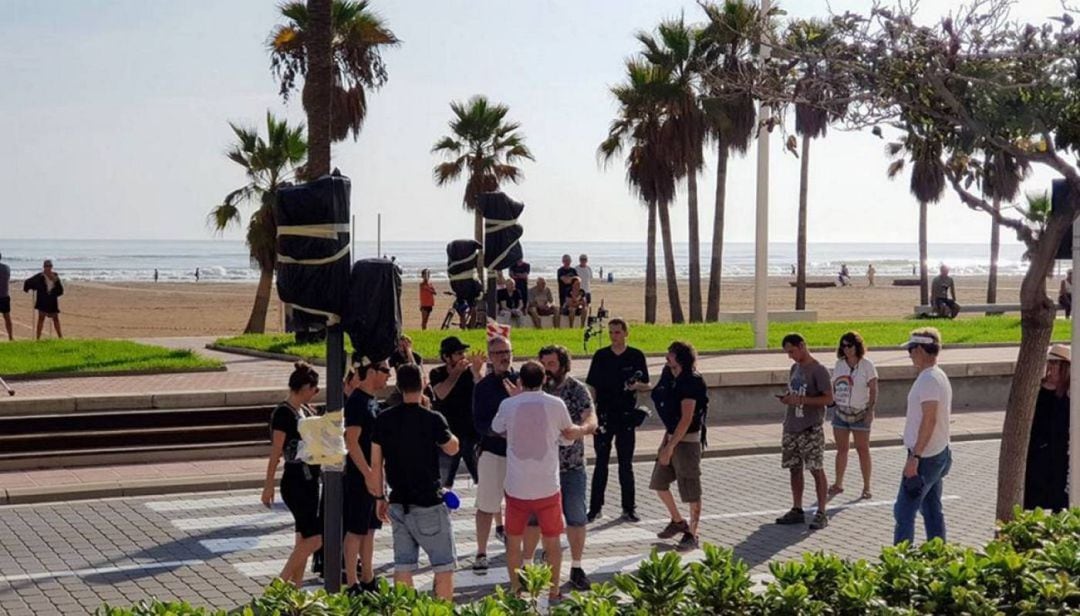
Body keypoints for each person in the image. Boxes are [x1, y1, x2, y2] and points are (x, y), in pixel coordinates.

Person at [491, 361, 586, 601]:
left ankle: (516, 590)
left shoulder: (509, 404)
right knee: (552, 540)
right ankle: (554, 591)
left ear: (520, 381)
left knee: (514, 540)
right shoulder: (556, 404)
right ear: (544, 379)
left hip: (517, 485)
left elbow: (496, 426)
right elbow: (567, 434)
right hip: (547, 485)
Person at [368, 364, 460, 600]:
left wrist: (379, 497)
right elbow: (452, 448)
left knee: (403, 564)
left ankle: (404, 609)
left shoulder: (384, 419)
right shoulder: (432, 418)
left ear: (398, 386)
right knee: (444, 566)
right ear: (423, 384)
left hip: (398, 500)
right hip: (429, 500)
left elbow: (376, 463)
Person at [521, 345, 598, 592]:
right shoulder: (534, 389)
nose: (547, 371)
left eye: (551, 364)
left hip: (570, 465)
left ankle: (576, 567)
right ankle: (527, 566)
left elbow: (591, 417)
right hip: (539, 468)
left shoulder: (576, 389)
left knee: (576, 517)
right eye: (543, 365)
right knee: (533, 519)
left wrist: (582, 429)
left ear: (563, 365)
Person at [262, 362, 322, 587]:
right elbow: (276, 452)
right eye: (314, 389)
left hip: (311, 481)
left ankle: (295, 589)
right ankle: (280, 584)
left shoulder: (305, 410)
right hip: (296, 480)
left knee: (303, 538)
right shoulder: (283, 414)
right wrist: (268, 485)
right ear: (305, 387)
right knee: (315, 539)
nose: (315, 394)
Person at [586, 318, 649, 522]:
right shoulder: (601, 356)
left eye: (617, 332)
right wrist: (591, 412)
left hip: (626, 416)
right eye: (611, 333)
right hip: (604, 415)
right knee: (601, 463)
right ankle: (595, 508)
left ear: (625, 333)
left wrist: (635, 386)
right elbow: (592, 386)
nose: (614, 336)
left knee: (625, 464)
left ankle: (629, 508)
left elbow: (646, 384)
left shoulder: (636, 356)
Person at [894, 328, 952, 546]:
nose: (909, 355)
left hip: (925, 456)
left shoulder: (928, 379)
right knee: (931, 509)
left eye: (910, 350)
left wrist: (914, 458)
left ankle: (901, 560)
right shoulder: (938, 375)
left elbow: (929, 420)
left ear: (919, 349)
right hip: (938, 452)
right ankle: (938, 553)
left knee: (903, 512)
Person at [649, 341, 708, 551]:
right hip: (671, 436)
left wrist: (670, 447)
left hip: (687, 441)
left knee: (691, 488)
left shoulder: (692, 381)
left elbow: (686, 419)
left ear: (680, 358)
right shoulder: (668, 375)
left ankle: (693, 533)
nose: (666, 358)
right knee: (658, 482)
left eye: (670, 355)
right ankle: (677, 521)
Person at [775, 333, 833, 530]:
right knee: (794, 468)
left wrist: (802, 401)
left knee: (816, 469)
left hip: (810, 429)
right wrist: (788, 398)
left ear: (802, 346)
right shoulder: (795, 368)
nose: (790, 356)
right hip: (792, 426)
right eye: (787, 352)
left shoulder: (819, 370)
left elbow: (828, 399)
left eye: (792, 351)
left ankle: (822, 512)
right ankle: (797, 508)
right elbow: (795, 392)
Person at [341, 357, 389, 593]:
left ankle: (368, 576)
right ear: (371, 371)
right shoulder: (357, 401)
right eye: (385, 370)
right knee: (356, 529)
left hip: (374, 473)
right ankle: (351, 581)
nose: (388, 375)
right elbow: (351, 441)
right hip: (360, 475)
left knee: (370, 528)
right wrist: (368, 473)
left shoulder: (372, 400)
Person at [471, 335, 515, 573]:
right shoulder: (484, 387)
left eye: (507, 352)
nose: (504, 357)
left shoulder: (521, 381)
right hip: (492, 452)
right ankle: (481, 551)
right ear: (490, 357)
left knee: (519, 503)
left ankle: (516, 546)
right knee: (487, 504)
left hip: (519, 455)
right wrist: (498, 433)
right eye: (498, 353)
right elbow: (478, 423)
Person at [429, 336, 485, 488]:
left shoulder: (469, 373)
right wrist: (456, 373)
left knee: (468, 451)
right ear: (447, 357)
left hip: (470, 428)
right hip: (449, 427)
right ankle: (446, 488)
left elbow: (481, 389)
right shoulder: (437, 373)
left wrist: (477, 372)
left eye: (464, 353)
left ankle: (481, 484)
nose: (463, 357)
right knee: (447, 469)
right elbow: (441, 393)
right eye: (458, 353)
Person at [828, 331, 878, 500]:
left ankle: (866, 486)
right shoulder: (839, 364)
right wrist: (832, 402)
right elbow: (834, 384)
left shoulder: (867, 365)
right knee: (841, 449)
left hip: (860, 412)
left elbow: (873, 388)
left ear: (857, 346)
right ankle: (838, 483)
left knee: (863, 449)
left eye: (850, 345)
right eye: (843, 346)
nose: (847, 349)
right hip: (841, 412)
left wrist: (870, 410)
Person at [1024, 344, 1071, 512]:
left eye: (1056, 363)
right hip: (1038, 451)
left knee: (1059, 498)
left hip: (1060, 453)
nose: (1051, 367)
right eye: (1050, 362)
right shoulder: (1038, 389)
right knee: (1033, 496)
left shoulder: (1070, 392)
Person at [23, 260, 63, 340]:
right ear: (44, 267)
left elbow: (60, 290)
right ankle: (38, 338)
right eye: (46, 266)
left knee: (55, 319)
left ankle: (60, 337)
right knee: (41, 319)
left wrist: (56, 282)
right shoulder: (40, 276)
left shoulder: (55, 276)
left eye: (49, 266)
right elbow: (28, 282)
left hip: (52, 300)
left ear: (51, 267)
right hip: (42, 300)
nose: (48, 268)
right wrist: (30, 288)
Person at [0, 252, 12, 341]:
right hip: (5, 296)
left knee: (7, 318)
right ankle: (10, 337)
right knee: (7, 317)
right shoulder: (6, 268)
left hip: (3, 295)